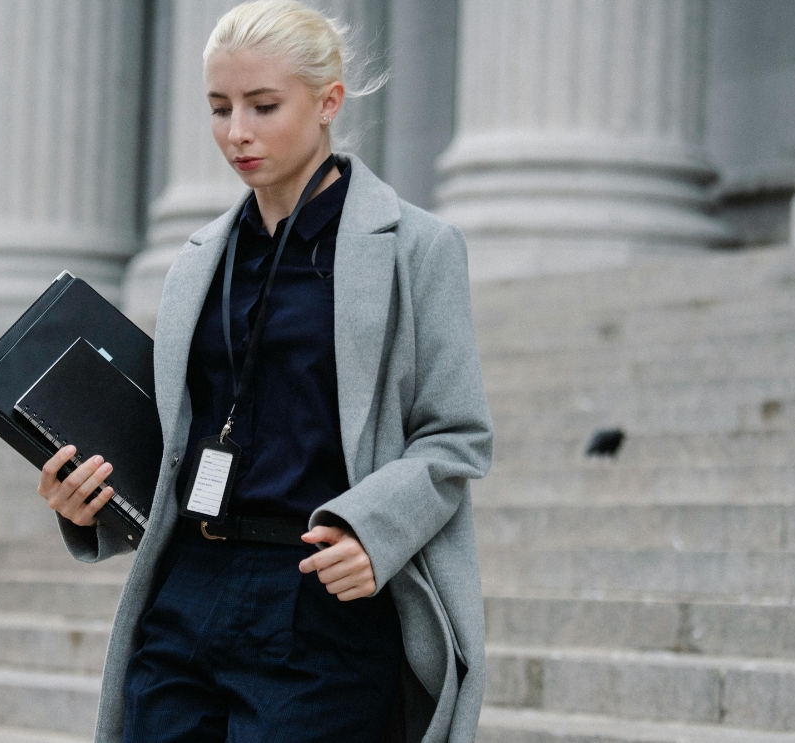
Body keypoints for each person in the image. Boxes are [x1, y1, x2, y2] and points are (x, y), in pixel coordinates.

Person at [36, 2, 492, 741]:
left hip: (318, 595)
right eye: (220, 108)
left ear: (328, 103)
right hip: (186, 588)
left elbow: (455, 436)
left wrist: (372, 532)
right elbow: (177, 440)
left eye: (263, 106)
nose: (236, 132)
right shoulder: (197, 260)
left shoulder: (417, 247)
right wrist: (90, 498)